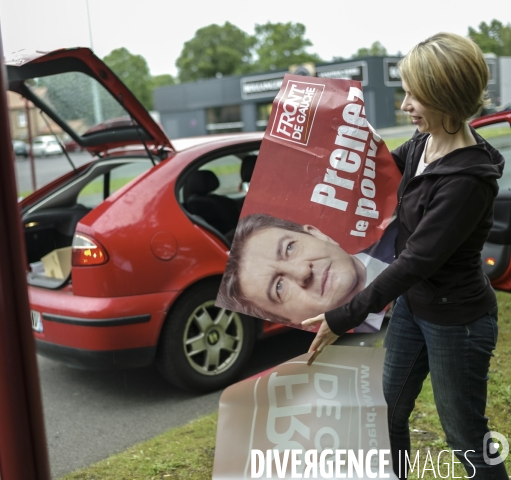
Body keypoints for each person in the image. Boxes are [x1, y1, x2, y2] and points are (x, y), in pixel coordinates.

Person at [302, 32, 508, 479]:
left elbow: (415, 261)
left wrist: (343, 316)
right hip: (415, 309)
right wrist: (312, 148)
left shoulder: (467, 180)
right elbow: (369, 176)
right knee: (384, 414)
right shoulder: (422, 145)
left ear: (446, 96)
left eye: (415, 95)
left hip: (459, 323)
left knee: (465, 436)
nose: (405, 105)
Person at [217, 212, 392, 331]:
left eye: (289, 248)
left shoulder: (407, 229)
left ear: (317, 234)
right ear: (290, 321)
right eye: (279, 286)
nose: (302, 272)